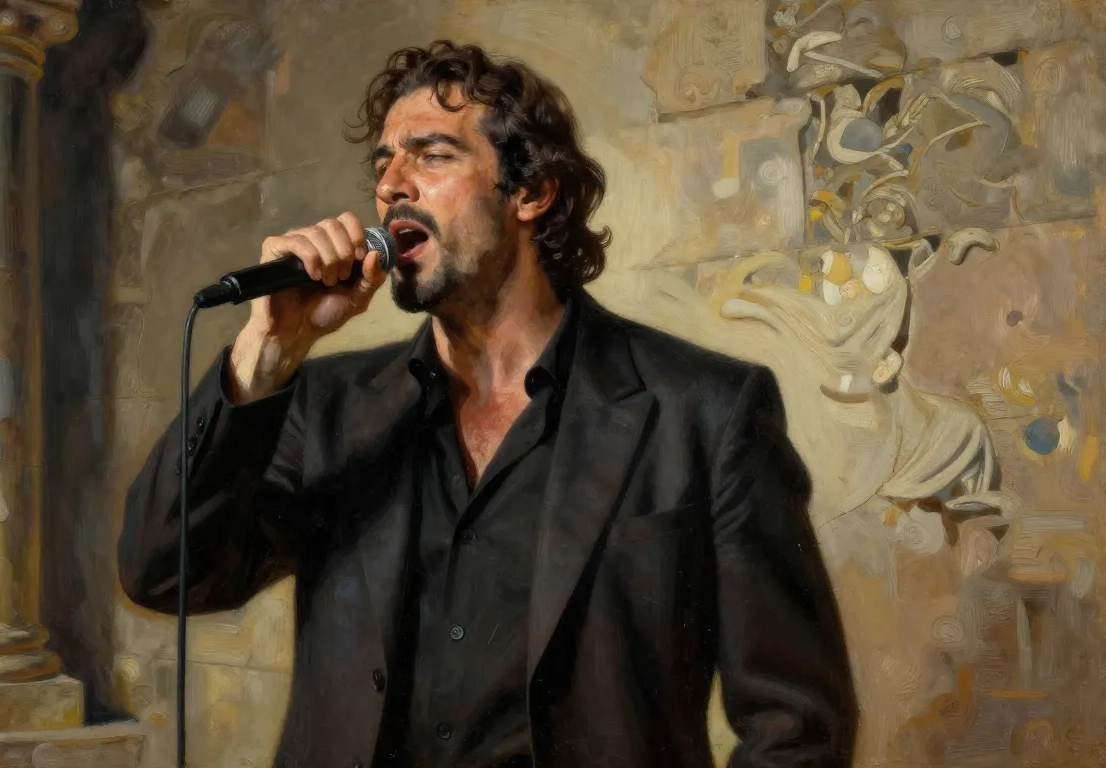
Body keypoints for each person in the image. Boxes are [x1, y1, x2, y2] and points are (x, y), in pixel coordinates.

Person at [119, 40, 857, 768]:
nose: (391, 185)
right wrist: (267, 353)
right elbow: (166, 574)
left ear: (531, 193)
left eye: (432, 155)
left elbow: (796, 726)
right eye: (384, 163)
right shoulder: (327, 408)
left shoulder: (704, 411)